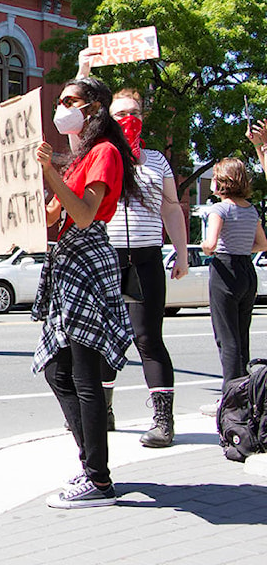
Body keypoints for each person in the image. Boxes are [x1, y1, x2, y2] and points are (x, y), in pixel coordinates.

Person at [0, 76, 138, 509]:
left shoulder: (104, 154)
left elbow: (84, 214)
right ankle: (91, 465)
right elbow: (50, 217)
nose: (61, 108)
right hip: (69, 264)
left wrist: (49, 169)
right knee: (58, 370)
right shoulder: (80, 157)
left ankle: (98, 480)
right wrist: (4, 177)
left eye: (70, 101)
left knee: (84, 375)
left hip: (87, 261)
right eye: (60, 100)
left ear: (93, 108)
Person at [76, 50, 190, 448]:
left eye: (135, 112)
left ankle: (163, 420)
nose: (129, 118)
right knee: (106, 336)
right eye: (120, 111)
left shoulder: (156, 161)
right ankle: (103, 410)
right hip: (107, 257)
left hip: (144, 258)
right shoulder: (99, 153)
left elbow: (171, 208)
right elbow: (73, 119)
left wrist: (182, 252)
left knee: (148, 338)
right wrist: (84, 72)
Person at [199, 158, 267, 414]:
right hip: (247, 272)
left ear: (222, 181)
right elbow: (263, 244)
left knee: (226, 339)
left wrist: (207, 245)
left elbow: (210, 244)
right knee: (241, 335)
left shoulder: (220, 210)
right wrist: (241, 247)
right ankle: (247, 395)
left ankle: (230, 400)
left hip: (225, 271)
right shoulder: (251, 210)